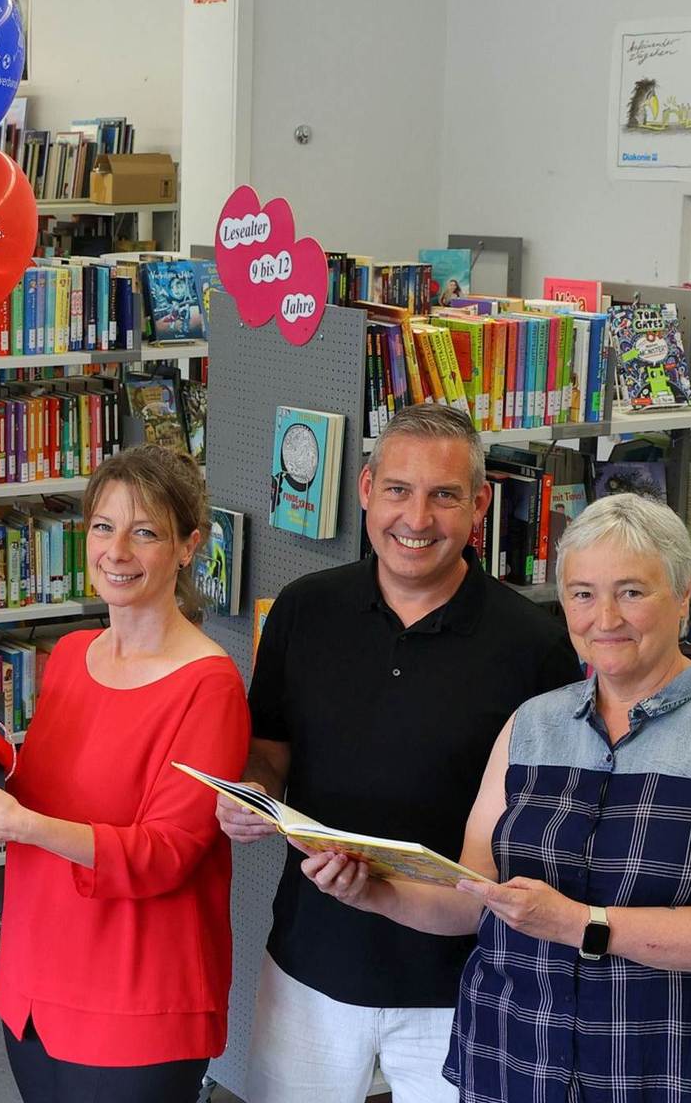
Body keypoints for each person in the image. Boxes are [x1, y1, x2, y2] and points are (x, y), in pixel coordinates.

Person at [303, 492, 691, 1103]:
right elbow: (474, 897)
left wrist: (584, 925)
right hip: (516, 1059)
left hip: (670, 1068)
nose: (604, 618)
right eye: (582, 593)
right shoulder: (532, 725)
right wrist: (374, 892)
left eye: (632, 591)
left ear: (684, 595)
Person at [217, 402, 579, 1103]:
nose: (416, 519)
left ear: (479, 505)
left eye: (444, 496)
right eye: (398, 491)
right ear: (365, 489)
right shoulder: (304, 610)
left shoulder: (533, 645)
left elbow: (546, 819)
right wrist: (250, 797)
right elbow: (270, 751)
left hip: (464, 979)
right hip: (311, 961)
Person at [0, 444, 251, 1102]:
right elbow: (45, 793)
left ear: (189, 546)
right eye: (103, 527)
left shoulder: (208, 687)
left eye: (146, 533)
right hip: (33, 982)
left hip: (135, 998)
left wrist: (21, 822)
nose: (117, 552)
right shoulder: (71, 657)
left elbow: (165, 855)